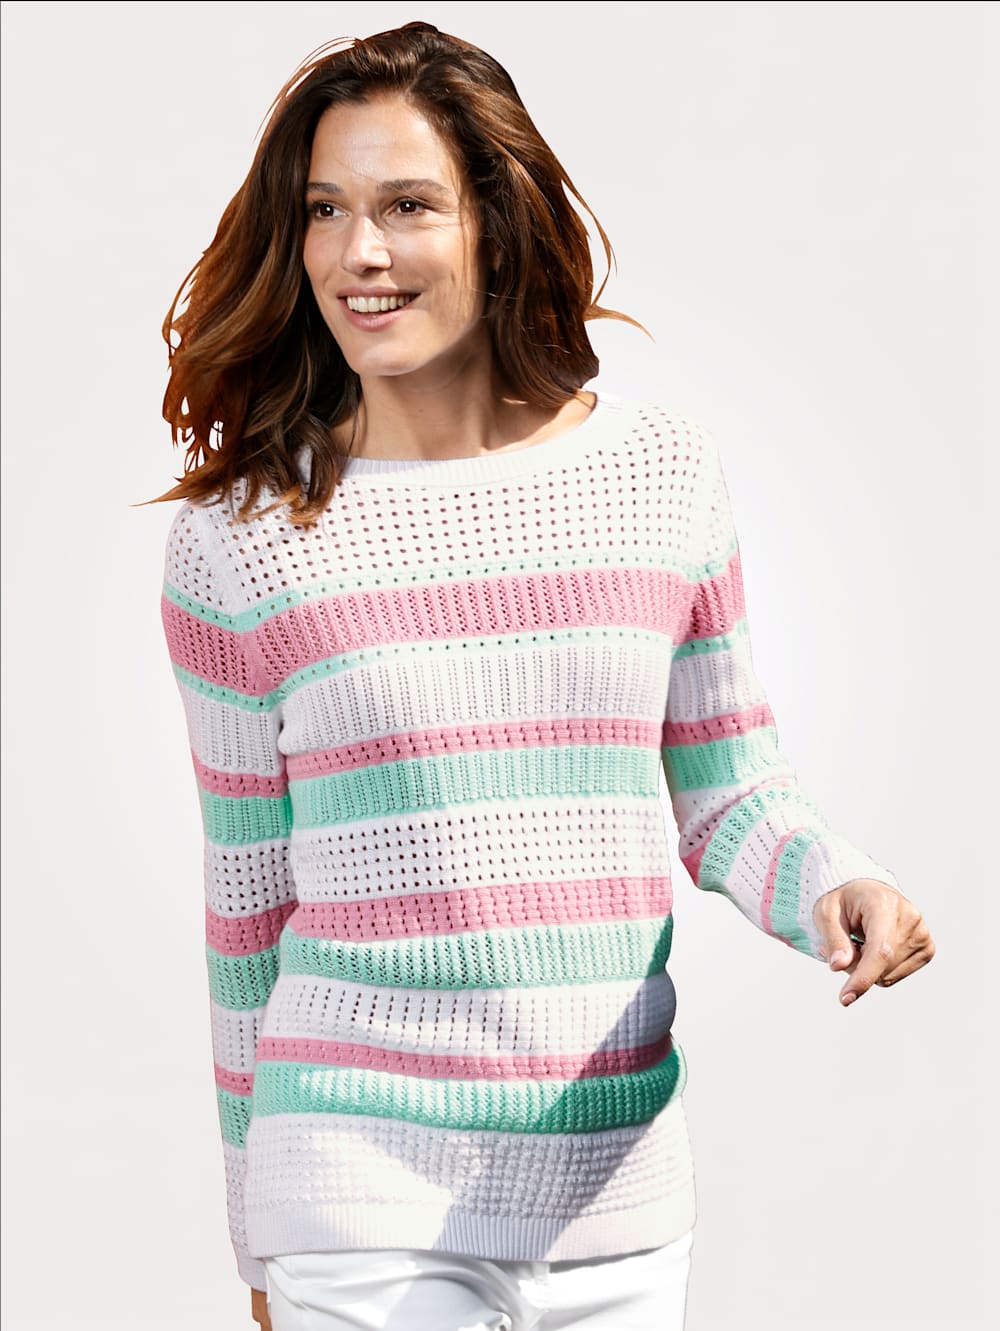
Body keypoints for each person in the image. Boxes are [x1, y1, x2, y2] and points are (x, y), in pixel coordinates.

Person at [155, 21, 935, 1331]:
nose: (359, 252)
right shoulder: (241, 538)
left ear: (497, 222)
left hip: (615, 1184)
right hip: (352, 1185)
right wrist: (255, 1235)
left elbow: (731, 791)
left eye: (407, 206)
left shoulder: (659, 474)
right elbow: (249, 908)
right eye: (325, 211)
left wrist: (836, 888)